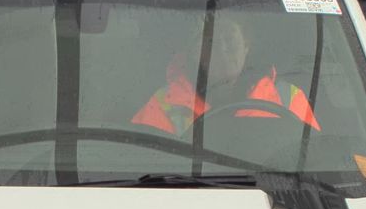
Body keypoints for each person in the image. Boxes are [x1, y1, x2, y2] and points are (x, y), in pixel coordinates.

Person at [132, 17, 317, 134]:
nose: (221, 49)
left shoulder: (288, 99)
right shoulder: (165, 104)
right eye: (209, 41)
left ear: (246, 46)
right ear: (193, 53)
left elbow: (314, 160)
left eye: (229, 38)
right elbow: (143, 165)